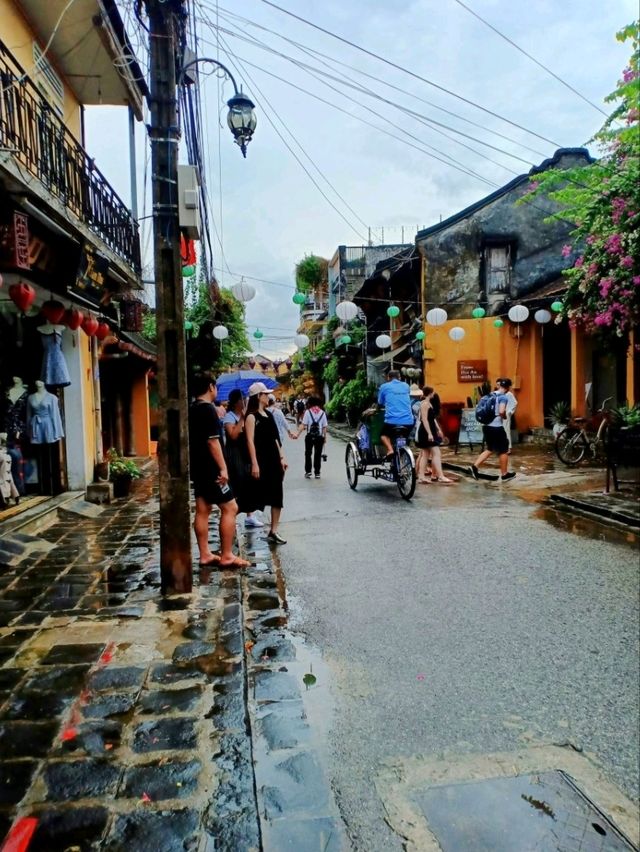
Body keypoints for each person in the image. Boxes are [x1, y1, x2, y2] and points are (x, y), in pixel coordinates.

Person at [188, 374, 249, 569]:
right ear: (210, 387)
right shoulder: (208, 410)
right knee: (231, 508)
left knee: (203, 509)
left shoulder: (192, 409)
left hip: (198, 467)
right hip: (212, 468)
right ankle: (227, 555)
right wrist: (223, 468)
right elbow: (213, 441)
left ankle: (205, 554)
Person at [245, 382, 288, 544]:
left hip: (274, 459)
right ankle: (242, 517)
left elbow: (276, 439)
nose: (267, 396)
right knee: (254, 495)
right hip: (261, 460)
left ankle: (274, 530)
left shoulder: (269, 415)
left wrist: (282, 457)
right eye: (264, 394)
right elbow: (249, 441)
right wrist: (254, 463)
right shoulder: (251, 417)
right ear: (258, 397)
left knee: (277, 495)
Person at [223, 389, 262, 529]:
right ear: (235, 402)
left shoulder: (246, 416)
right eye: (241, 399)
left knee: (248, 482)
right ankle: (232, 514)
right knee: (238, 483)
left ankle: (250, 515)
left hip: (244, 454)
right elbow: (232, 435)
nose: (244, 401)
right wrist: (241, 419)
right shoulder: (229, 416)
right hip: (234, 455)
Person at [470, 379, 516, 482]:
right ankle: (504, 474)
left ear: (499, 386)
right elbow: (501, 411)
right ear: (508, 388)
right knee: (503, 450)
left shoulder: (490, 395)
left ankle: (474, 467)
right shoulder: (503, 397)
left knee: (490, 448)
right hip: (497, 427)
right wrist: (504, 416)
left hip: (486, 427)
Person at [416, 387, 454, 484]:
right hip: (426, 431)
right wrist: (429, 433)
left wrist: (438, 429)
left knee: (426, 454)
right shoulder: (425, 404)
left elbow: (432, 419)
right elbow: (424, 419)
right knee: (436, 453)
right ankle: (440, 476)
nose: (434, 394)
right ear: (430, 393)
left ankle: (421, 476)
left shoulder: (428, 404)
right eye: (433, 393)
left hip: (430, 430)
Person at [377, 370, 414, 457]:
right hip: (408, 421)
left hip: (391, 422)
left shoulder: (384, 386)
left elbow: (380, 402)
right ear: (400, 378)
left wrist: (377, 409)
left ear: (388, 378)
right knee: (403, 437)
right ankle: (402, 450)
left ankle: (390, 449)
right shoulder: (406, 386)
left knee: (383, 435)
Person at [298, 396, 328, 479]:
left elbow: (303, 424)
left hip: (309, 436)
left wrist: (297, 434)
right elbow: (324, 427)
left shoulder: (308, 412)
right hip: (319, 437)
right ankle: (317, 473)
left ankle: (308, 472)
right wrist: (325, 437)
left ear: (310, 403)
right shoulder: (322, 412)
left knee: (308, 454)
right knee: (318, 455)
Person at [500, 378, 518, 452]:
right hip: (500, 414)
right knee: (501, 431)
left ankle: (508, 447)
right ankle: (502, 446)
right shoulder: (501, 394)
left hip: (506, 415)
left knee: (506, 430)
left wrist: (510, 411)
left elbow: (515, 403)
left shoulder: (509, 394)